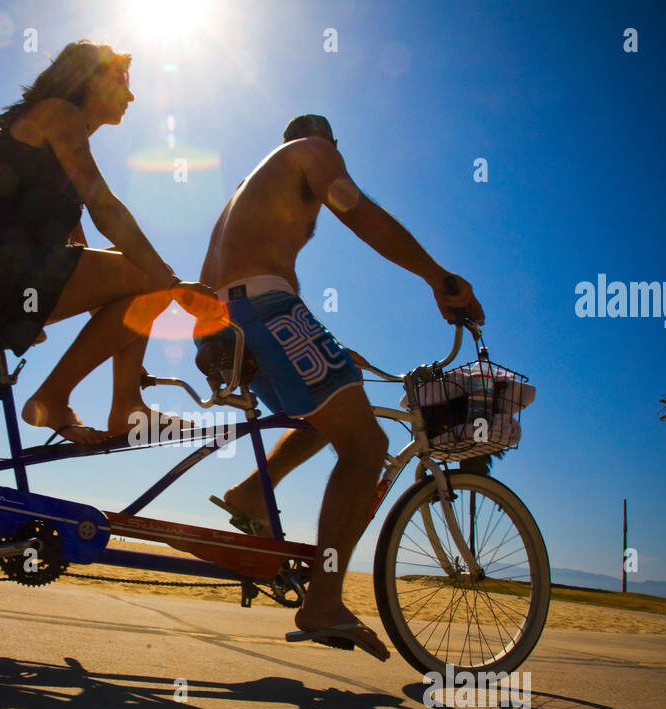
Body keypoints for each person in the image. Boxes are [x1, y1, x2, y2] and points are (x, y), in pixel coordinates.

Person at [198, 114, 485, 661]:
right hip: (265, 305)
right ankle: (324, 600)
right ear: (325, 142)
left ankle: (252, 492)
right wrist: (438, 278)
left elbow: (215, 265)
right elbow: (361, 214)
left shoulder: (246, 188)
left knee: (328, 411)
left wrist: (212, 340)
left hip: (230, 316)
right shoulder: (312, 150)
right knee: (369, 445)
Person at [0, 40, 210, 444]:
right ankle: (56, 398)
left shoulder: (55, 145)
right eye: (121, 82)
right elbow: (106, 209)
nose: (131, 95)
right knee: (150, 277)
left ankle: (127, 405)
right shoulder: (61, 115)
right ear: (88, 82)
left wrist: (129, 337)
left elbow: (81, 255)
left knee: (130, 268)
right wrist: (171, 284)